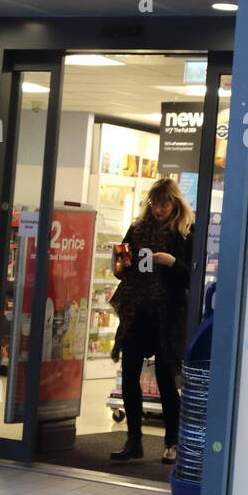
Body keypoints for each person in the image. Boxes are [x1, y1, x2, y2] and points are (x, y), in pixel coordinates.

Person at [108, 177, 193, 464]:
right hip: (137, 310)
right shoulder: (137, 228)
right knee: (130, 376)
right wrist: (121, 261)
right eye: (155, 204)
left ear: (175, 204)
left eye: (164, 204)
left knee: (166, 379)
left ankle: (172, 442)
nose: (158, 210)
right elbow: (120, 267)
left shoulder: (184, 233)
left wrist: (169, 261)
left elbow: (190, 275)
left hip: (167, 314)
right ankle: (134, 440)